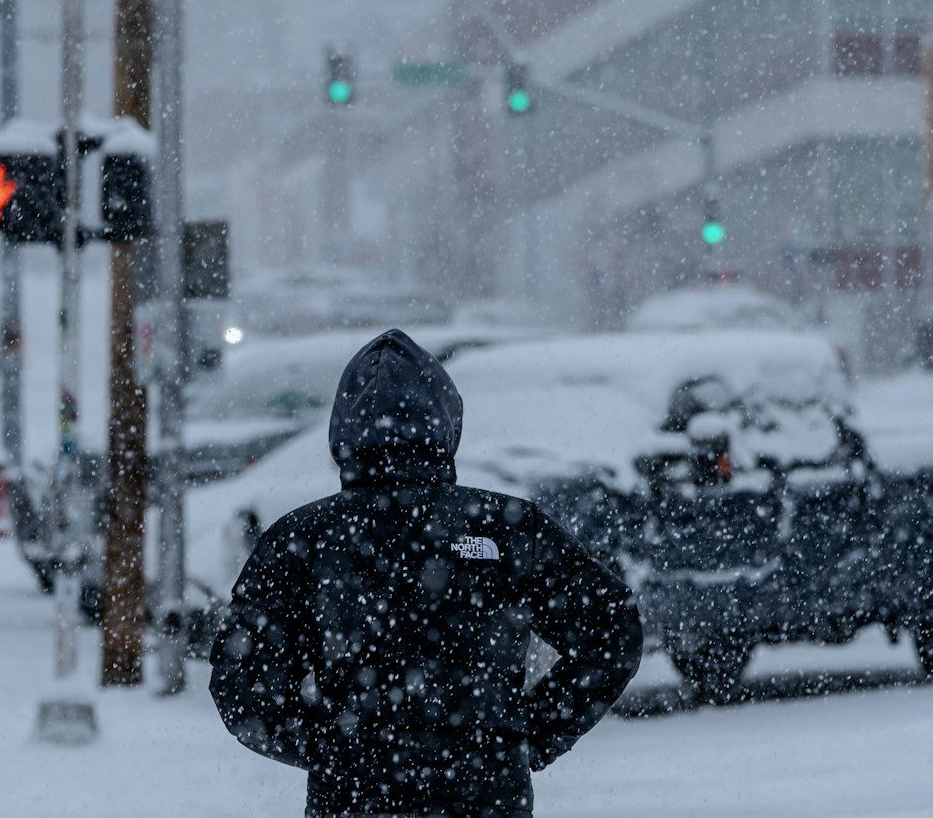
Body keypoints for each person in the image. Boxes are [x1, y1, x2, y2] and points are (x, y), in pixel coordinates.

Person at [209, 330, 642, 817]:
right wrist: (523, 737)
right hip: (483, 797)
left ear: (344, 432)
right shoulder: (505, 528)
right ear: (446, 423)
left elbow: (244, 686)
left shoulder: (304, 540)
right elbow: (611, 628)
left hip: (355, 801)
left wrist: (333, 752)